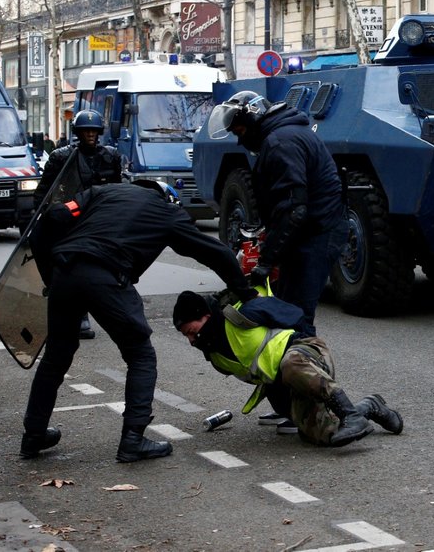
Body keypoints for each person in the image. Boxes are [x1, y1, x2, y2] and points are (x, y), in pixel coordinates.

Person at [20, 181, 257, 463]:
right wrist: (245, 293)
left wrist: (52, 279)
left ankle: (33, 436)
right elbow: (215, 253)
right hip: (107, 275)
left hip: (65, 272)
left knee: (55, 358)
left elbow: (50, 219)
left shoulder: (102, 193)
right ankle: (133, 439)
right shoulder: (165, 211)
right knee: (140, 355)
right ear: (166, 197)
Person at [208, 91, 348, 426]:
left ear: (253, 120)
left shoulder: (280, 142)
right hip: (313, 233)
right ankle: (292, 402)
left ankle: (312, 405)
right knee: (288, 313)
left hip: (315, 236)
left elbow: (293, 208)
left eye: (240, 131)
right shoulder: (284, 135)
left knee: (297, 321)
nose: (240, 140)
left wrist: (267, 261)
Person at [172, 289, 403, 447]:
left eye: (191, 332)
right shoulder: (214, 356)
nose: (192, 340)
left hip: (308, 354)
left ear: (205, 315)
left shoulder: (240, 313)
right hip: (286, 381)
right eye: (187, 337)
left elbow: (294, 315)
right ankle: (370, 406)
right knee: (323, 434)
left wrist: (308, 350)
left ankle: (352, 415)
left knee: (290, 363)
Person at [34, 109, 122, 339]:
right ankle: (67, 304)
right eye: (86, 131)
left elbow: (118, 190)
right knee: (58, 258)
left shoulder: (111, 156)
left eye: (94, 130)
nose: (90, 135)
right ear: (78, 133)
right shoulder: (62, 156)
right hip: (70, 218)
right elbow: (44, 194)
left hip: (99, 220)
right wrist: (48, 216)